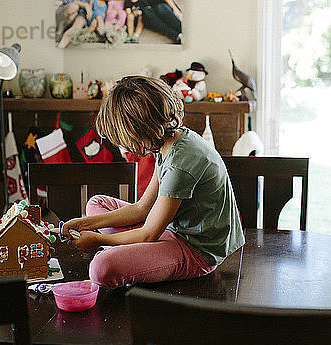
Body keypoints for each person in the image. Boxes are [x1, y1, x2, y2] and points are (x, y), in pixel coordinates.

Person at [62, 76, 245, 289]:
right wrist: (83, 224)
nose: (125, 147)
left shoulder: (181, 164)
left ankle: (122, 253)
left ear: (139, 130)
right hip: (169, 229)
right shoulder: (170, 142)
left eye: (124, 140)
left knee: (101, 268)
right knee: (96, 204)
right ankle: (129, 253)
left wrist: (97, 240)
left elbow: (149, 233)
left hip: (196, 251)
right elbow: (141, 209)